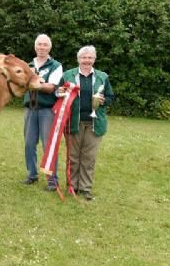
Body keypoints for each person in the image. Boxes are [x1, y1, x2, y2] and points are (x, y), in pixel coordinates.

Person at [58, 45, 113, 201]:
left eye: (90, 57)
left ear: (94, 59)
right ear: (78, 59)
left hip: (95, 123)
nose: (86, 60)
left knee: (89, 157)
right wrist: (60, 93)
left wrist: (103, 101)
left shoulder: (103, 77)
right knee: (73, 156)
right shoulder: (68, 75)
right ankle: (72, 186)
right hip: (73, 121)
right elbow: (59, 91)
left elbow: (110, 96)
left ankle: (85, 188)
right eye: (84, 57)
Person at [22, 34, 63, 191]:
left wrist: (32, 83)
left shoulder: (56, 66)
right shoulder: (27, 65)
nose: (42, 47)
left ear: (49, 47)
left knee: (48, 146)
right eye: (39, 44)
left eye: (45, 45)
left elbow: (51, 87)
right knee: (29, 144)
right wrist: (36, 82)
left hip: (47, 110)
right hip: (29, 110)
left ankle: (52, 180)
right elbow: (20, 84)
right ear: (35, 46)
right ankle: (32, 175)